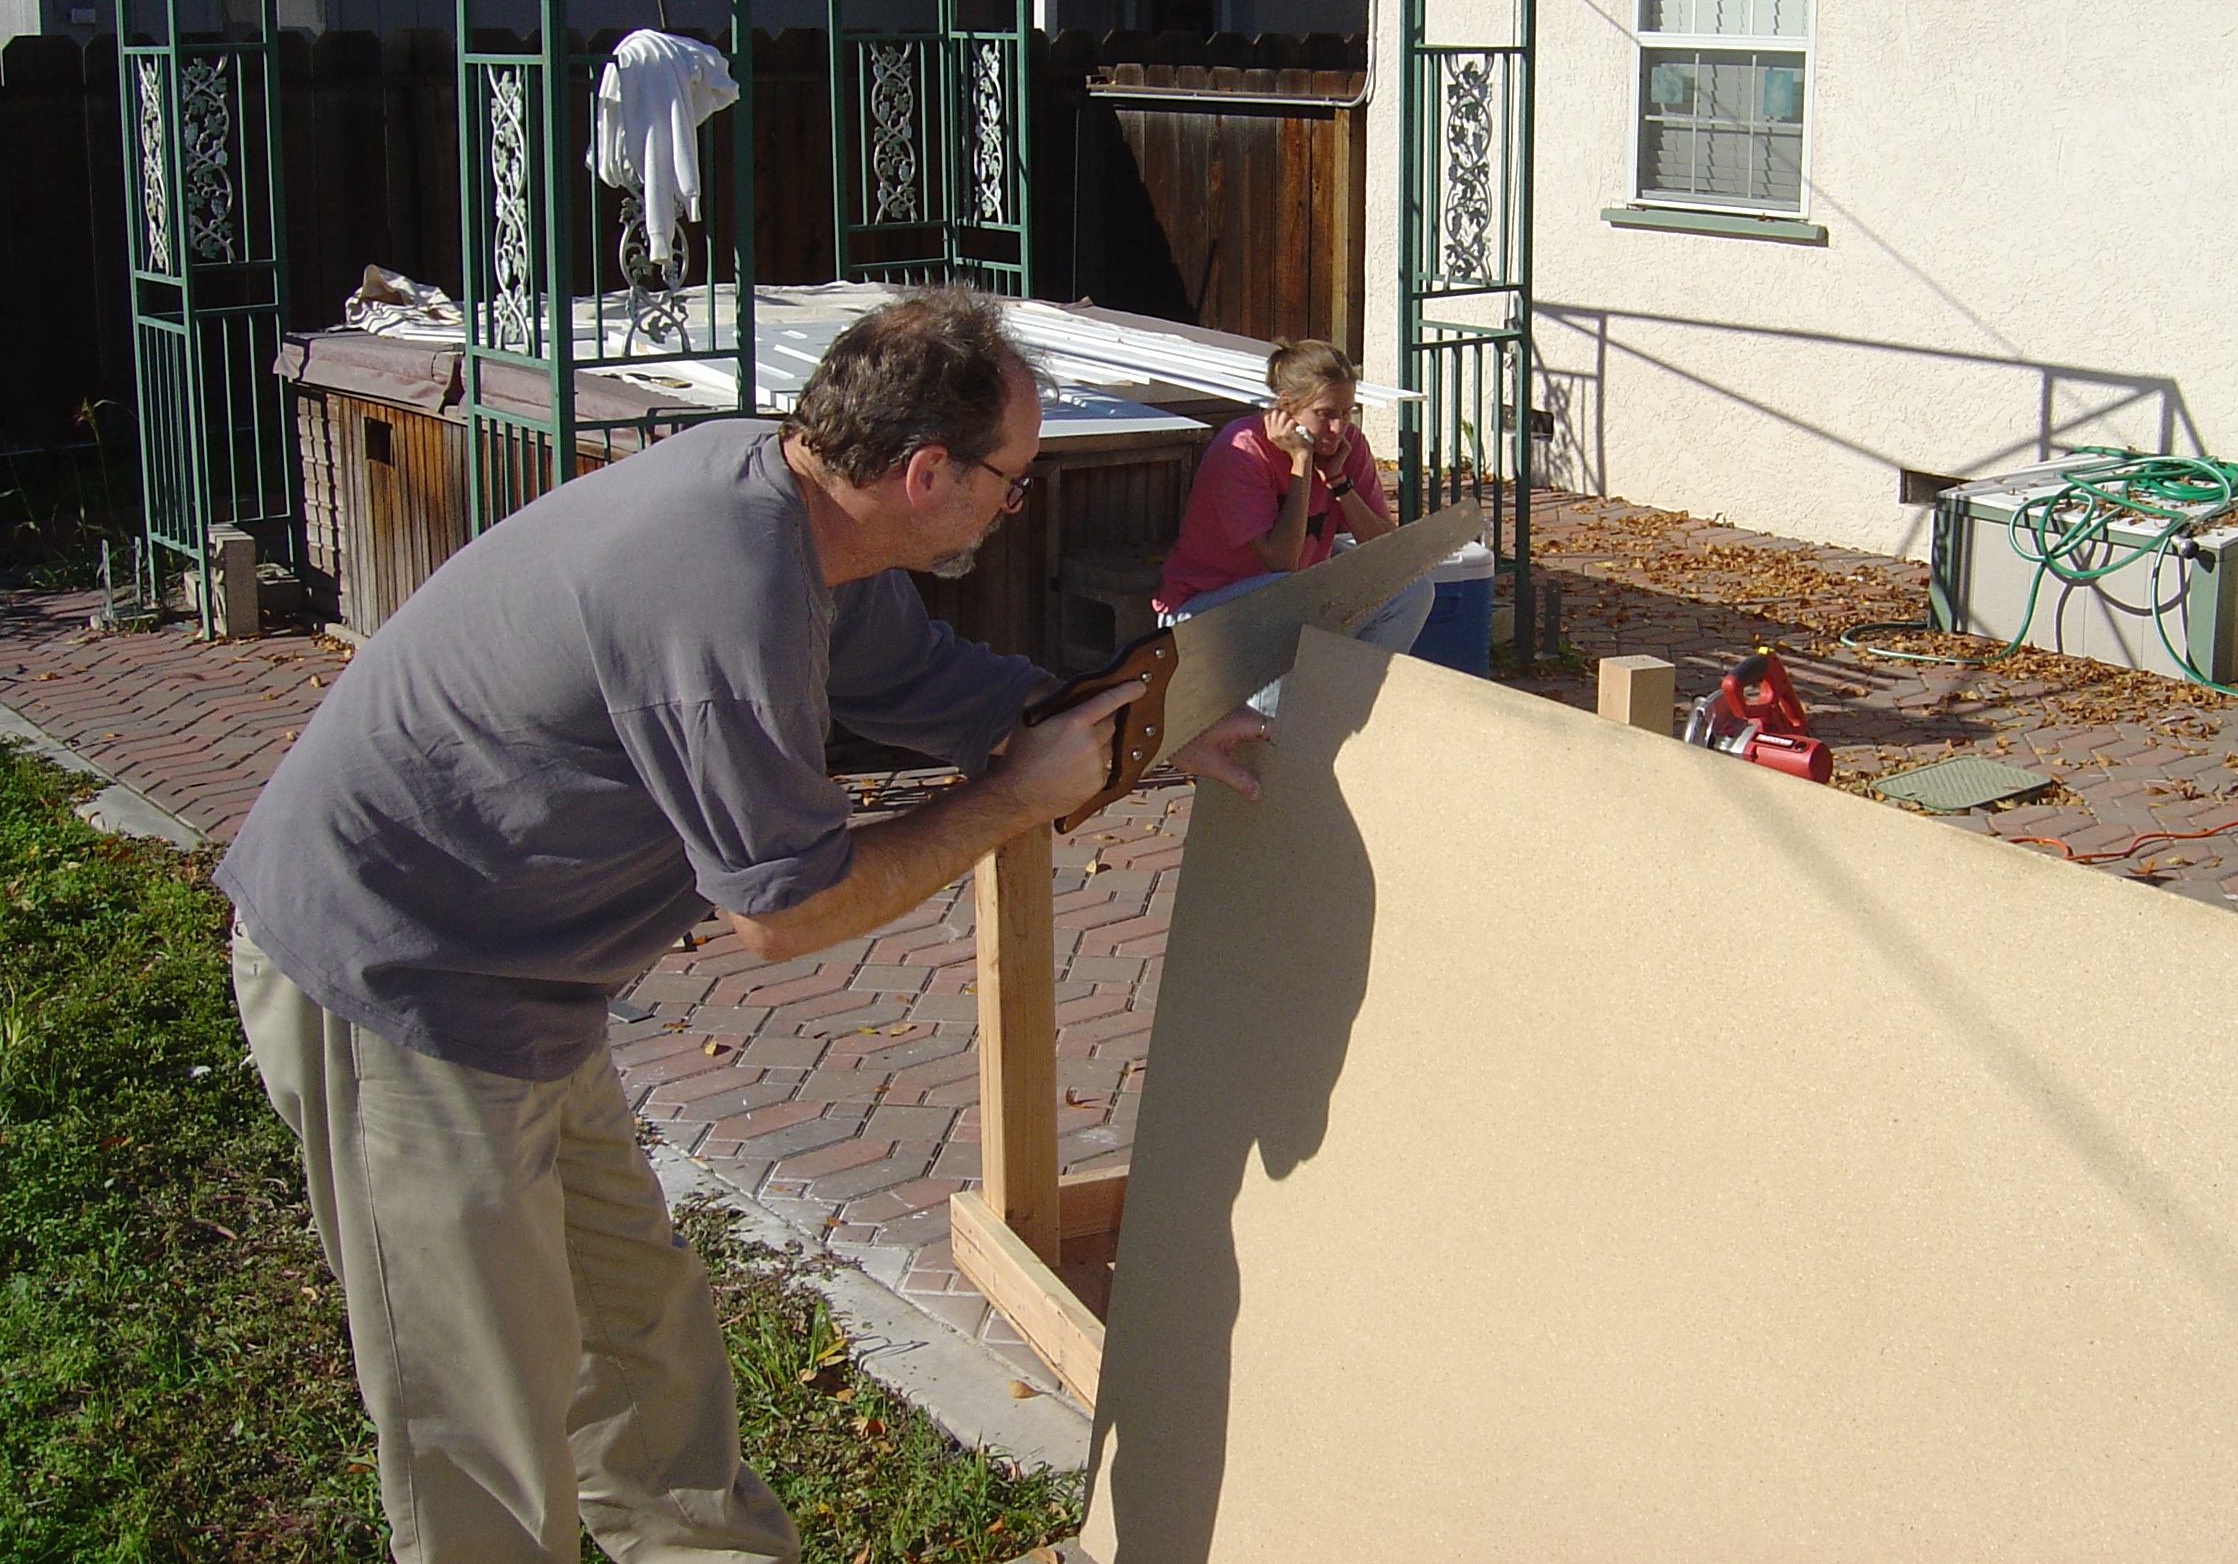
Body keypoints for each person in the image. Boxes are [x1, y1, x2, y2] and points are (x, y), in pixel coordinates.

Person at [217, 288, 1262, 1564]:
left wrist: (1144, 727)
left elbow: (929, 684)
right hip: (401, 981)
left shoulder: (810, 520)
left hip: (535, 985)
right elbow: (785, 912)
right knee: (478, 1414)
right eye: (1011, 481)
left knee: (640, 1350)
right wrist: (1006, 803)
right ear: (927, 471)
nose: (1012, 508)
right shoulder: (721, 590)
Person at [1153, 339, 1436, 685]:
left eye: (1346, 413)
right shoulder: (1242, 448)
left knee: (1411, 589)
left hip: (1291, 598)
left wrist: (1338, 480)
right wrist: (1301, 460)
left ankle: (1354, 698)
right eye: (1325, 414)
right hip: (1204, 610)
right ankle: (1278, 730)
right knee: (1288, 596)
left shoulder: (1349, 446)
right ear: (1287, 408)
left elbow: (1384, 552)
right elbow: (1281, 560)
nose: (1338, 428)